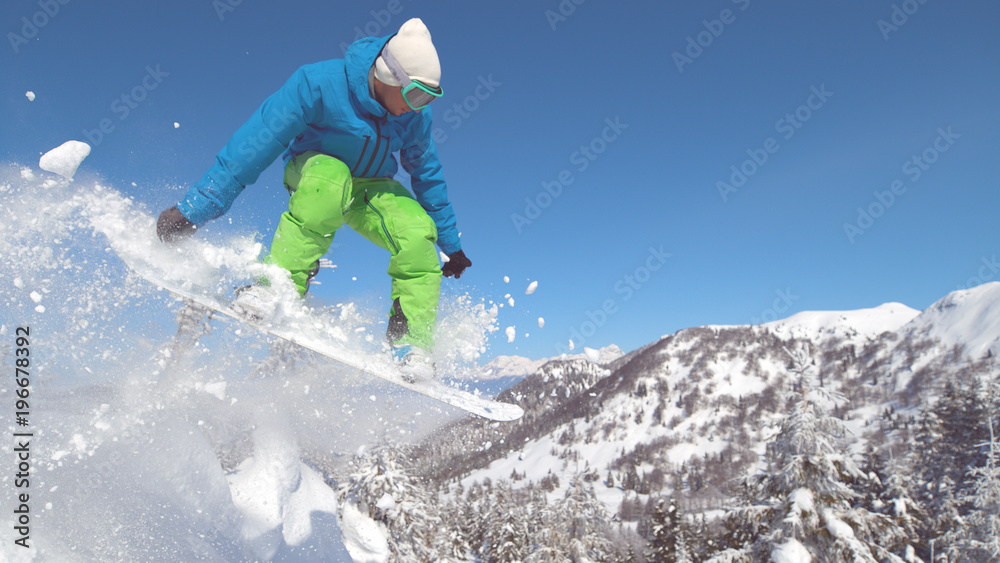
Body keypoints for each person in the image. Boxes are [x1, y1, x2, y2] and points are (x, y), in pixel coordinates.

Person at [155, 18, 471, 372]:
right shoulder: (318, 83)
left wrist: (450, 242)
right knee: (330, 180)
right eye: (416, 94)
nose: (418, 106)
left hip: (370, 186)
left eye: (428, 98)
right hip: (313, 171)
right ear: (387, 74)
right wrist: (197, 209)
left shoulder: (414, 116)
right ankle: (278, 287)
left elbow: (426, 173)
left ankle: (409, 343)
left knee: (417, 232)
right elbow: (256, 143)